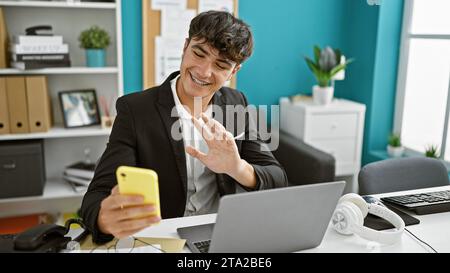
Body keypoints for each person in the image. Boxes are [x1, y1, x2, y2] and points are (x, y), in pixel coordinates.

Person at [80, 10, 288, 244]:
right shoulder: (135, 110)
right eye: (198, 54)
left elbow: (277, 177)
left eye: (221, 65)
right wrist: (103, 219)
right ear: (185, 46)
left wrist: (237, 167)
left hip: (218, 235)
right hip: (160, 237)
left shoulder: (236, 103)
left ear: (234, 71)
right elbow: (95, 196)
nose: (204, 71)